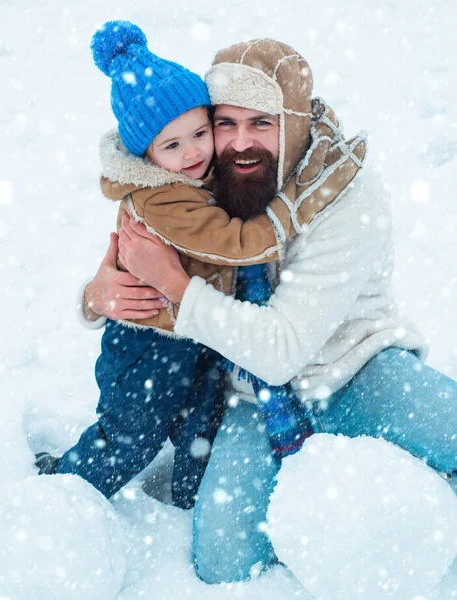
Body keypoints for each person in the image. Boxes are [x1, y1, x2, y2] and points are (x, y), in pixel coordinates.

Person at [79, 36, 457, 584]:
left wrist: (180, 291)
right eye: (225, 123)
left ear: (294, 121)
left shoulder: (342, 194)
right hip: (255, 396)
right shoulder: (208, 178)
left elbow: (280, 348)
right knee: (223, 561)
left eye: (262, 122)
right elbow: (138, 245)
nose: (238, 142)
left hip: (355, 368)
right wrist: (96, 294)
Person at [36, 22, 365, 508]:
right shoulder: (163, 199)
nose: (193, 151)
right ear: (145, 155)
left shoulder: (201, 174)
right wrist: (299, 203)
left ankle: (192, 494)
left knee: (203, 425)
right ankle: (64, 490)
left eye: (200, 132)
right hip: (148, 341)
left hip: (196, 338)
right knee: (132, 435)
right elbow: (238, 245)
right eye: (172, 145)